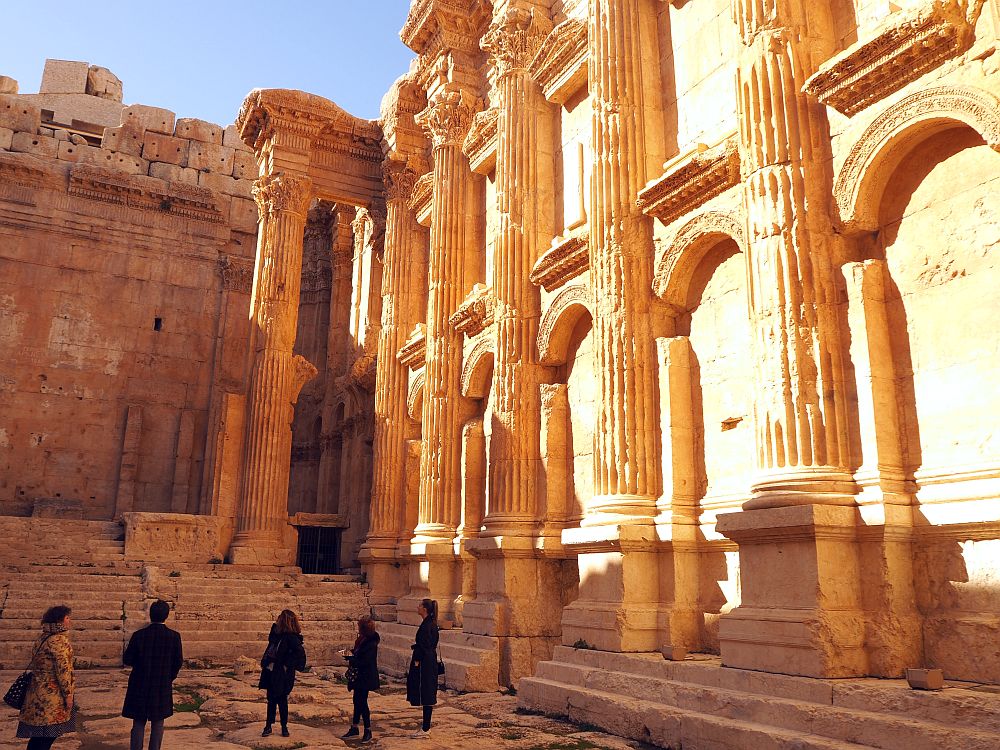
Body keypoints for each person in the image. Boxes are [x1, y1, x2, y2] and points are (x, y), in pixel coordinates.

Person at [122, 600, 183, 750]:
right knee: (158, 721)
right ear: (166, 616)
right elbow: (178, 662)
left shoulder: (139, 635)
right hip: (161, 684)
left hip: (139, 683)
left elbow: (127, 659)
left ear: (150, 614)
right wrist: (168, 677)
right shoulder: (174, 637)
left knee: (138, 721)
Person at [16, 605, 76, 750]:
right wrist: (68, 695)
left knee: (39, 736)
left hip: (37, 692)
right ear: (59, 621)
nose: (70, 621)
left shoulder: (43, 637)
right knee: (48, 735)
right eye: (67, 618)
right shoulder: (59, 641)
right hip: (52, 696)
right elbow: (63, 671)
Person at [258, 609, 306, 738]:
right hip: (271, 670)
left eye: (280, 618)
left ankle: (283, 726)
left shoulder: (291, 638)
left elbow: (300, 654)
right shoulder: (276, 634)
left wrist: (286, 664)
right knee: (271, 698)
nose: (277, 620)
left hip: (282, 672)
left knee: (281, 699)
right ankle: (269, 725)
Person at [340, 616, 380, 743]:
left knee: (362, 703)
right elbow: (358, 653)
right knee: (357, 701)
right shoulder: (363, 639)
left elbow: (364, 661)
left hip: (365, 676)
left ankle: (368, 730)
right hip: (359, 676)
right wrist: (350, 653)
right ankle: (354, 727)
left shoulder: (371, 643)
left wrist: (350, 658)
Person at [406, 599, 439, 739]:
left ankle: (426, 728)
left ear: (424, 609)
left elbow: (424, 646)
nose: (417, 607)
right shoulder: (430, 623)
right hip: (429, 660)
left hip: (425, 663)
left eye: (419, 605)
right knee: (427, 692)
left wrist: (417, 662)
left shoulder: (427, 626)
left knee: (426, 692)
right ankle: (425, 726)